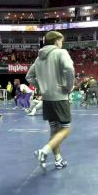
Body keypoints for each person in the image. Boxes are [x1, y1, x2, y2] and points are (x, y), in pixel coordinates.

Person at [26, 31, 74, 170]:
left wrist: (41, 86)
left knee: (54, 130)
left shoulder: (38, 58)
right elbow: (69, 68)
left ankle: (58, 160)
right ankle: (44, 151)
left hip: (47, 99)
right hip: (60, 97)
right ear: (56, 41)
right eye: (61, 40)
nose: (61, 43)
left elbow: (29, 77)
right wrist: (68, 86)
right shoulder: (61, 52)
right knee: (65, 129)